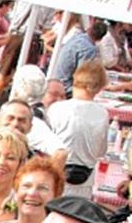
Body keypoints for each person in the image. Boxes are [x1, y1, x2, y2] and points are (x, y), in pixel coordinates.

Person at [47, 59, 110, 198]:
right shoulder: (102, 113)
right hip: (85, 180)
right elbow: (101, 151)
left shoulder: (57, 109)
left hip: (56, 173)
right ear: (99, 87)